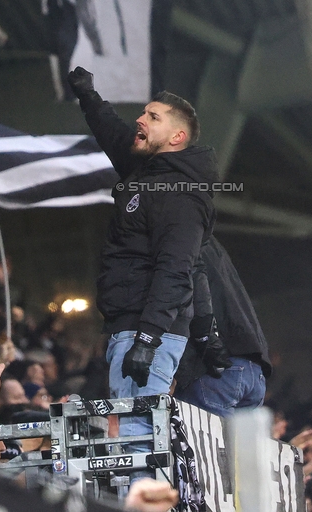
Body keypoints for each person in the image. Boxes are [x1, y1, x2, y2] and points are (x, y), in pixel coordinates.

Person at [67, 66, 217, 433]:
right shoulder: (146, 171)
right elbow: (114, 133)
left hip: (149, 332)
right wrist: (88, 96)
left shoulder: (179, 192)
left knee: (139, 441)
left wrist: (148, 338)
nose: (141, 119)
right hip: (131, 327)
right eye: (144, 113)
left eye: (153, 117)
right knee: (132, 438)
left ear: (177, 137)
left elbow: (176, 268)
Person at [175, 236, 271, 417]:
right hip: (254, 370)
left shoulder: (179, 241)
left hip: (213, 367)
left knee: (200, 436)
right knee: (239, 438)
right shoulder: (212, 245)